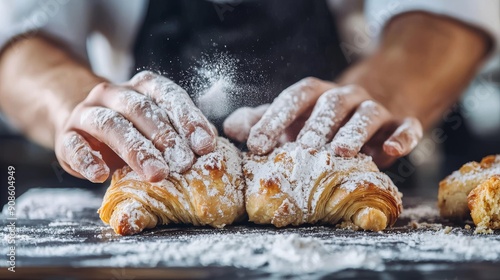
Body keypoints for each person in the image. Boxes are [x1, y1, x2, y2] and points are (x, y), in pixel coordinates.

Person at [0, 0, 497, 184]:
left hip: (359, 168)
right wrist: (78, 107)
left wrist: (372, 97)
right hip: (143, 174)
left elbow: (448, 17)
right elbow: (18, 39)